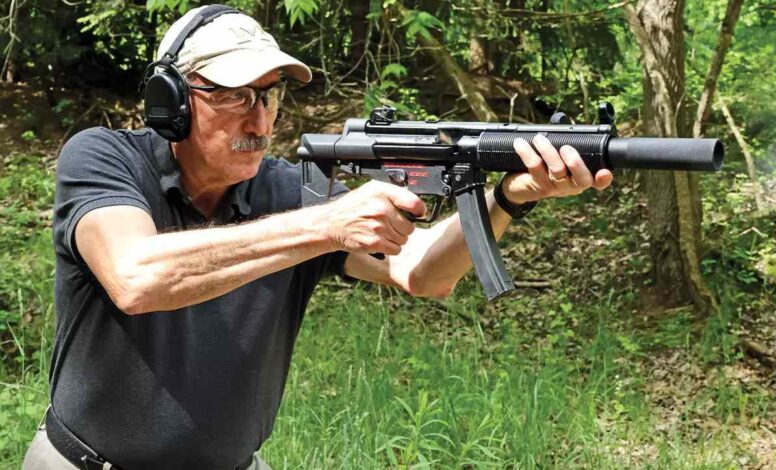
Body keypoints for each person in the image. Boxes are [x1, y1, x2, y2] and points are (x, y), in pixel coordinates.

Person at [22, 5, 613, 470]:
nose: (258, 120)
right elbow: (136, 276)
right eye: (233, 96)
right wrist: (324, 225)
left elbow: (422, 273)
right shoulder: (103, 158)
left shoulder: (289, 190)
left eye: (270, 96)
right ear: (170, 102)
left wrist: (508, 198)